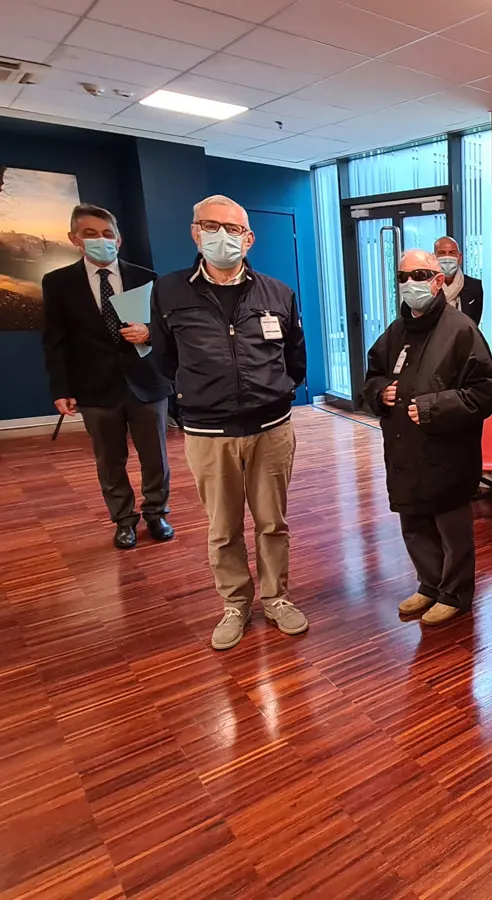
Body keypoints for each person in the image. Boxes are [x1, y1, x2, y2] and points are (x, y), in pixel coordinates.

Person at [150, 195, 309, 651]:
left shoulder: (277, 292)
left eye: (234, 229)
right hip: (209, 432)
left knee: (272, 522)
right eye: (212, 226)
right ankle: (235, 604)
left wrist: (274, 391)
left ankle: (277, 597)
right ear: (195, 232)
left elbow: (296, 358)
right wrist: (195, 398)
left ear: (249, 238)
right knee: (222, 528)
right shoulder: (170, 291)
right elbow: (164, 359)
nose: (224, 236)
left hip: (272, 429)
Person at [361, 249, 492, 627]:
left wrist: (432, 407)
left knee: (450, 529)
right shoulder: (396, 331)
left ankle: (454, 593)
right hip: (405, 449)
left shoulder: (461, 331)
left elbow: (484, 393)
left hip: (447, 453)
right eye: (403, 277)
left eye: (420, 275)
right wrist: (379, 393)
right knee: (414, 523)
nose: (410, 284)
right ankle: (429, 584)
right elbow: (372, 375)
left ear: (438, 281)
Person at [42, 204, 174, 550]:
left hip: (146, 382)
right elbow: (54, 341)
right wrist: (61, 388)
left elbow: (168, 329)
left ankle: (157, 512)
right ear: (75, 239)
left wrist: (148, 333)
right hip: (94, 387)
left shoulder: (147, 277)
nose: (101, 240)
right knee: (109, 458)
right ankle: (124, 520)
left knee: (155, 455)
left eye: (107, 234)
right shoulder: (58, 283)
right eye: (90, 234)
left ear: (119, 239)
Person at [433, 236, 484, 326]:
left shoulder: (474, 286)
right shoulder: (426, 286)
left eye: (452, 253)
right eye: (442, 253)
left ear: (459, 258)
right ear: (434, 258)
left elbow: (474, 324)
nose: (447, 258)